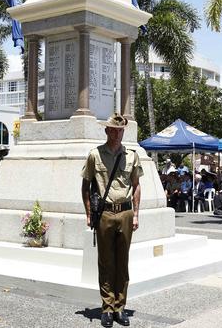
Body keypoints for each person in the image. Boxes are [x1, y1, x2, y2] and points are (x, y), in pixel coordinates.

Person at [80, 114, 142, 328]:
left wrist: (136, 214)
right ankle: (107, 308)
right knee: (106, 262)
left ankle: (120, 307)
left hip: (125, 213)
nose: (117, 134)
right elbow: (85, 186)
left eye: (120, 130)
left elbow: (136, 185)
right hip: (105, 214)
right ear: (106, 131)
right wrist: (89, 214)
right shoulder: (94, 155)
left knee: (122, 263)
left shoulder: (132, 156)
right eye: (113, 130)